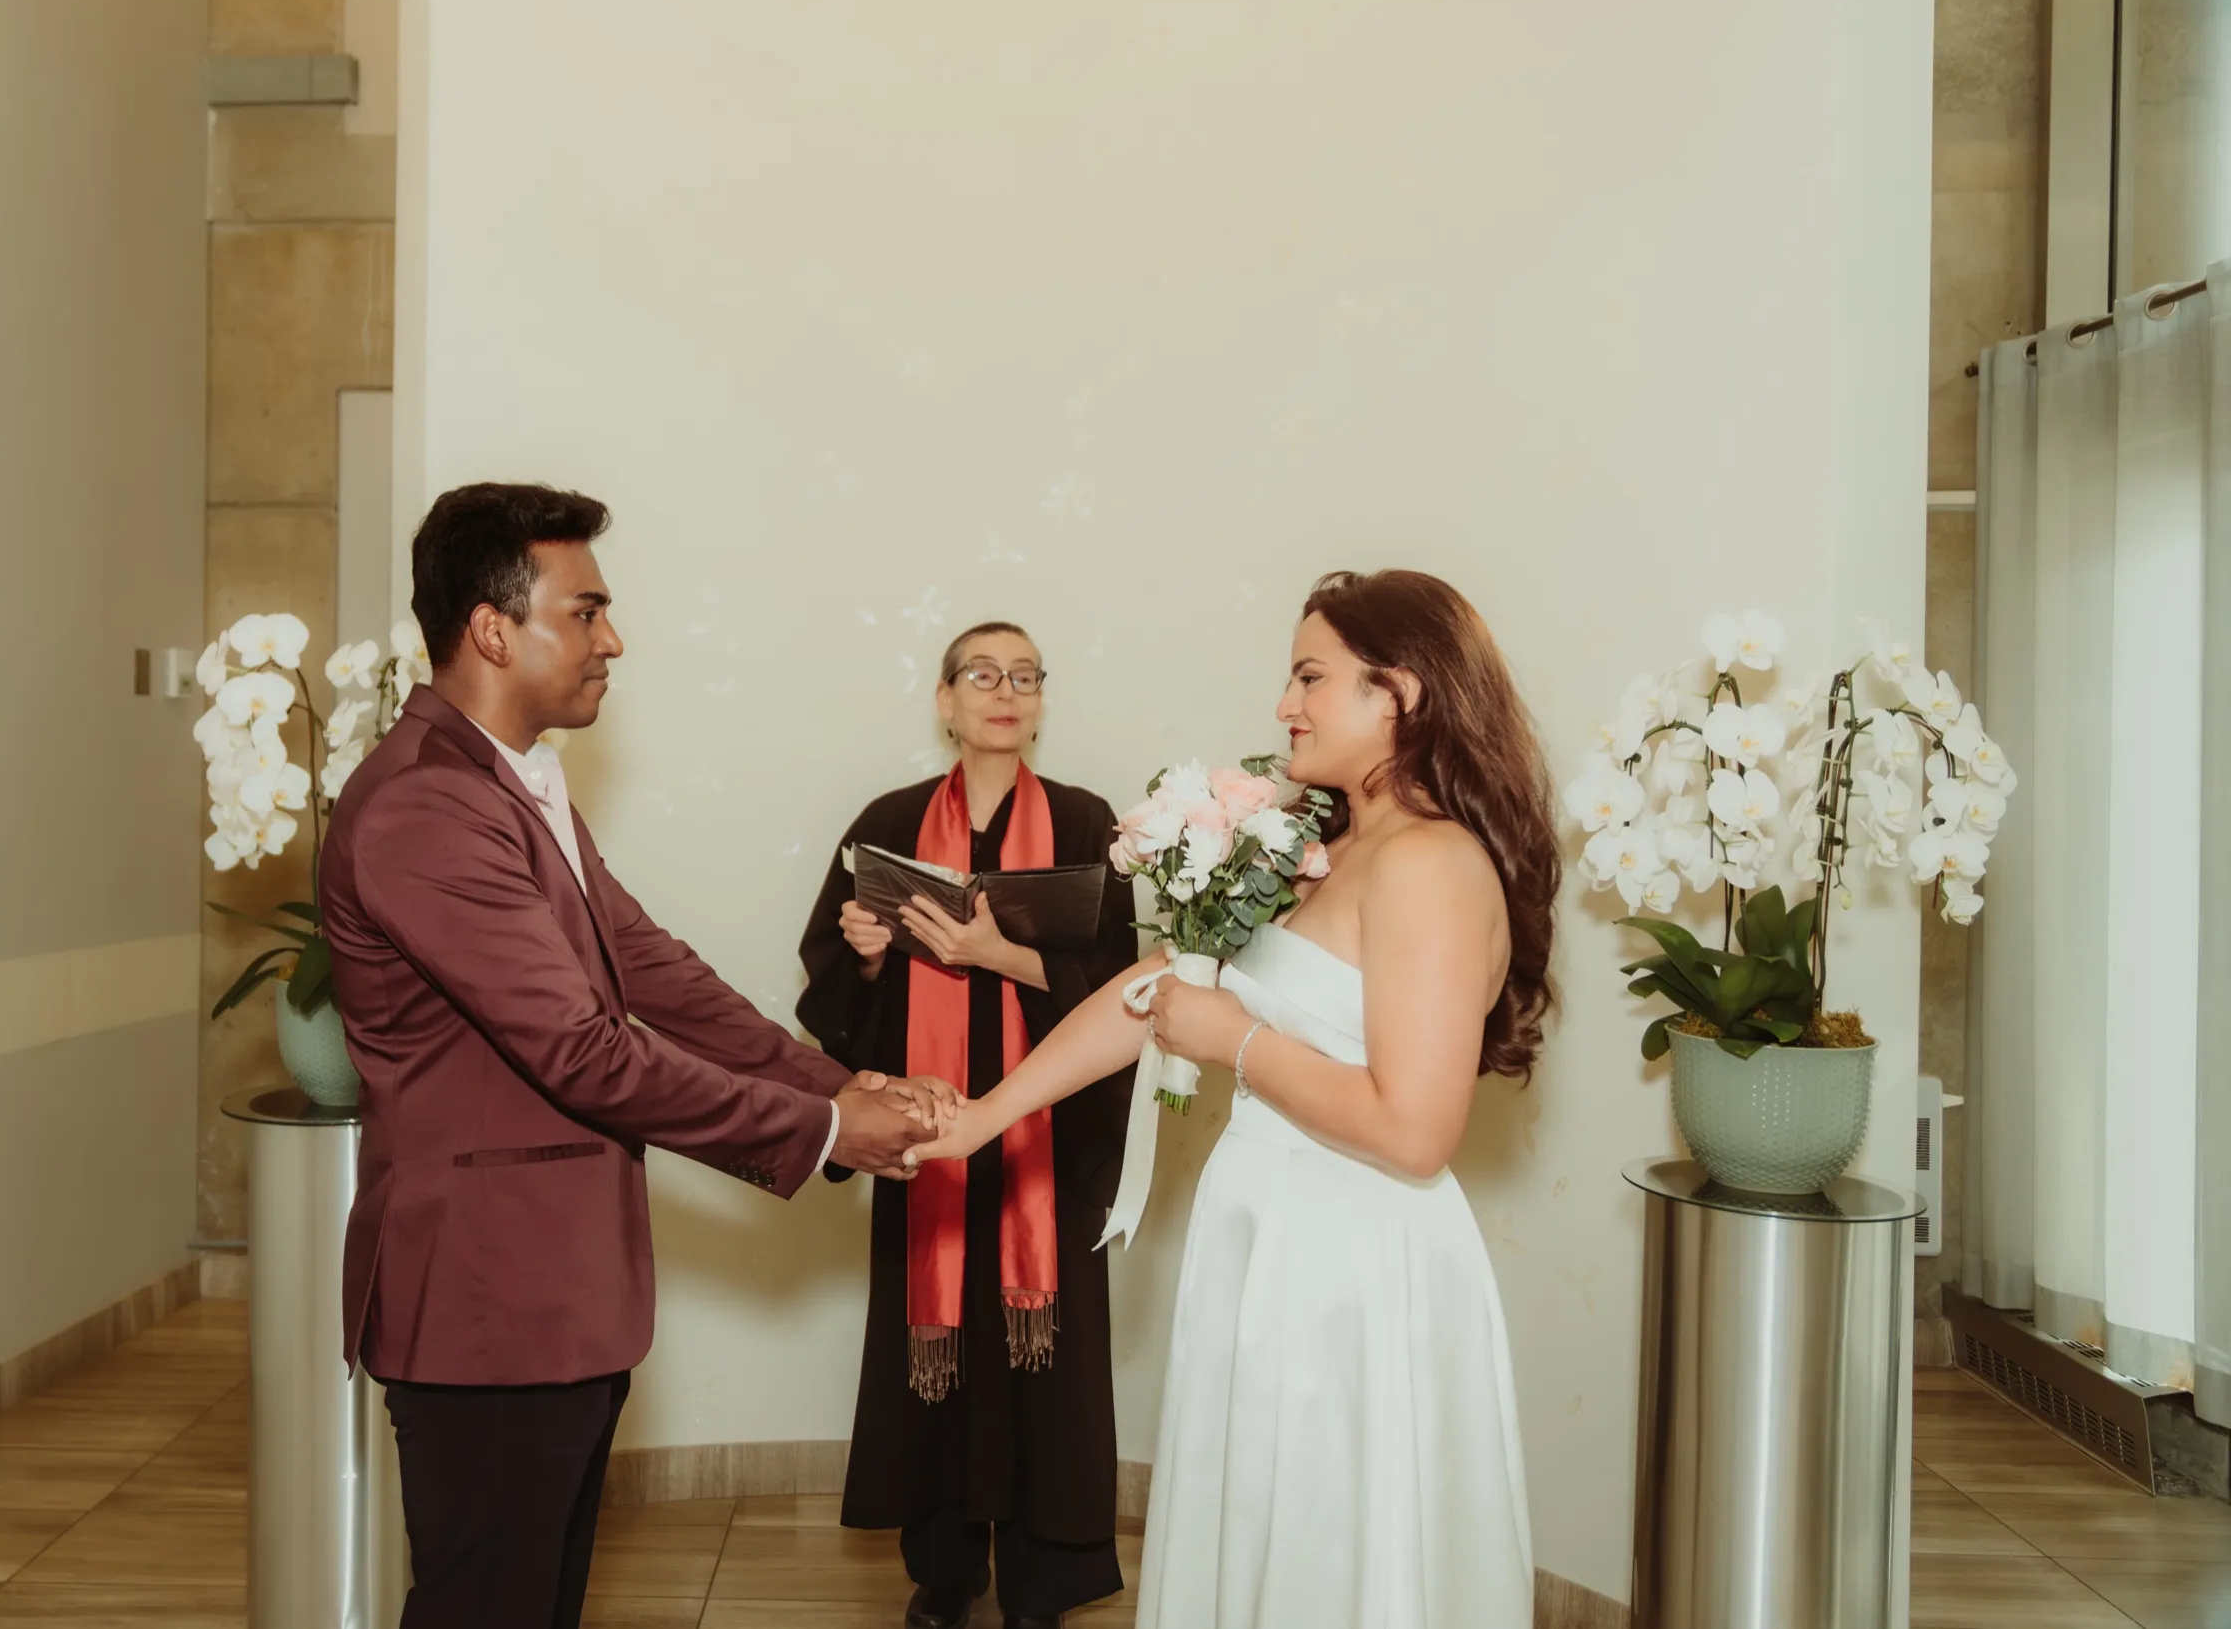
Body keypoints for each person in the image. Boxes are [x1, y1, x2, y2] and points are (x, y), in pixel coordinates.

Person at [319, 482, 945, 1629]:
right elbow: (584, 1050)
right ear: (495, 627)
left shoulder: (505, 783)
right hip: (487, 1297)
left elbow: (649, 968)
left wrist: (829, 1080)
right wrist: (819, 1131)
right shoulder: (425, 807)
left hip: (555, 1293)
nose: (615, 637)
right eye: (588, 609)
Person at [908, 571, 1558, 1629]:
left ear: (1398, 693)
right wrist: (982, 1115)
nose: (1283, 704)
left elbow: (1416, 1128)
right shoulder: (1321, 849)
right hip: (1270, 1234)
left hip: (1353, 1263)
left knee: (1328, 1546)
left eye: (1309, 675)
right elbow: (1152, 987)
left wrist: (1237, 1042)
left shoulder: (1433, 863)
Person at [798, 621, 1139, 1629]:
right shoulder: (888, 824)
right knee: (934, 1364)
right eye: (982, 673)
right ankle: (943, 1573)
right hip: (929, 1135)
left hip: (1046, 1137)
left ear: (1041, 701)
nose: (1006, 689)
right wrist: (864, 951)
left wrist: (996, 953)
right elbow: (828, 988)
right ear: (944, 700)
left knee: (1048, 1365)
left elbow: (1125, 989)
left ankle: (1043, 1584)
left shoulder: (1085, 824)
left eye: (1026, 675)